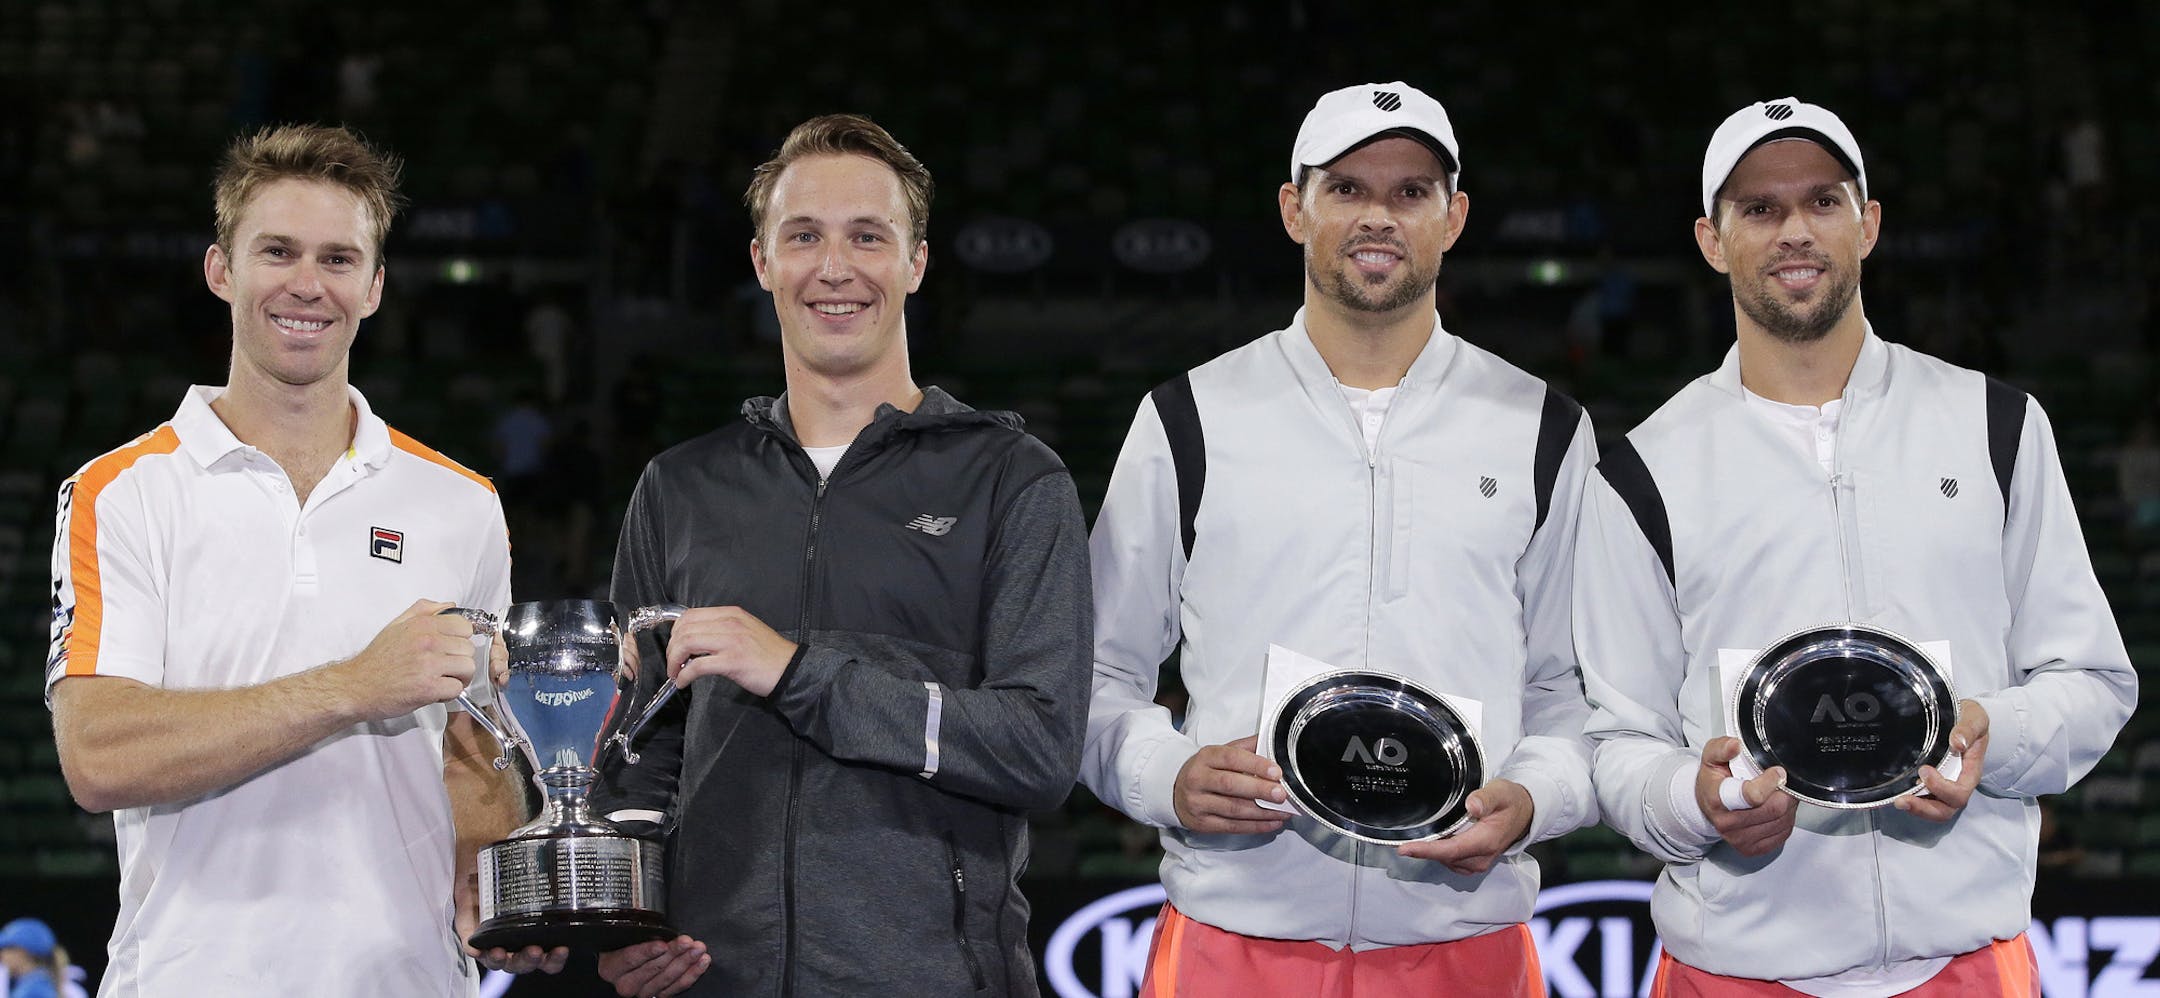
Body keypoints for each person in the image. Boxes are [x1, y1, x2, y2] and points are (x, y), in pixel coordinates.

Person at [1574, 97, 2138, 996]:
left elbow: (2094, 681)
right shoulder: (1643, 471)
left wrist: (1994, 732)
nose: (1795, 229)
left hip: (1968, 964)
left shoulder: (1994, 425)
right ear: (1712, 241)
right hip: (1736, 970)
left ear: (1867, 224)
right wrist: (1698, 801)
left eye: (1823, 202)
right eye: (1760, 209)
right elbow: (1616, 741)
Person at [1082, 81, 1599, 996]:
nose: (1379, 217)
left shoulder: (1543, 426)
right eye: (1348, 189)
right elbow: (1093, 673)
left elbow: (1570, 689)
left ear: (1455, 216)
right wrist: (1166, 774)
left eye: (1410, 192)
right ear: (1295, 208)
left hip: (1464, 937)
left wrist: (1532, 803)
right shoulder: (1188, 416)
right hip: (1232, 936)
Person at [585, 113, 1092, 997]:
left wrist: (796, 674)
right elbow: (639, 747)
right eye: (804, 236)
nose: (834, 268)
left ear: (916, 263)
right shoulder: (680, 487)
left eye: (868, 236)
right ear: (761, 262)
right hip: (716, 979)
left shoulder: (1011, 479)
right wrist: (628, 918)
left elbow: (1039, 750)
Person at [44, 124, 536, 996]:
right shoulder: (120, 491)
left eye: (339, 259)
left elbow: (475, 770)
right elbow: (98, 755)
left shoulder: (464, 504)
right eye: (277, 251)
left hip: (408, 981)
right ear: (220, 269)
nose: (308, 285)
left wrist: (498, 876)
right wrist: (355, 684)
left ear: (375, 286)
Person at [0, 918, 74, 998]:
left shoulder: (35, 990)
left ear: (24, 952)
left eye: (7, 948)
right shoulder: (33, 984)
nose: (2, 955)